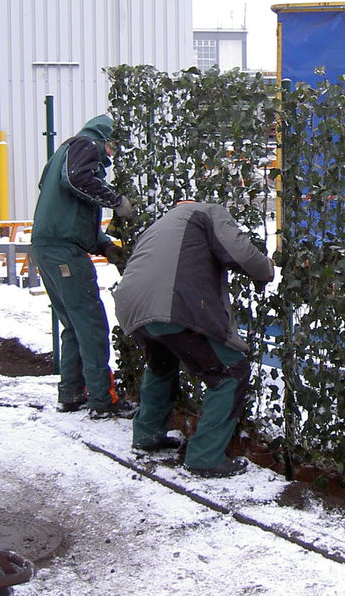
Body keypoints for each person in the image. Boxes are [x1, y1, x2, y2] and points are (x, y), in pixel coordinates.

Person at [113, 199, 275, 478]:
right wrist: (266, 270)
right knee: (231, 372)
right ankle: (204, 457)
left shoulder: (161, 224)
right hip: (171, 304)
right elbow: (238, 251)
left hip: (131, 305)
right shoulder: (208, 211)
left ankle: (147, 435)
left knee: (161, 365)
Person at [31, 114, 137, 418]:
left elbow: (71, 215)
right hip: (63, 251)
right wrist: (115, 200)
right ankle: (102, 400)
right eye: (113, 146)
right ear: (106, 138)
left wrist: (105, 247)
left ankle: (71, 393)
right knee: (91, 324)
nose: (112, 155)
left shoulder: (63, 155)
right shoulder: (86, 144)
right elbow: (77, 180)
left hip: (48, 247)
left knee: (74, 324)